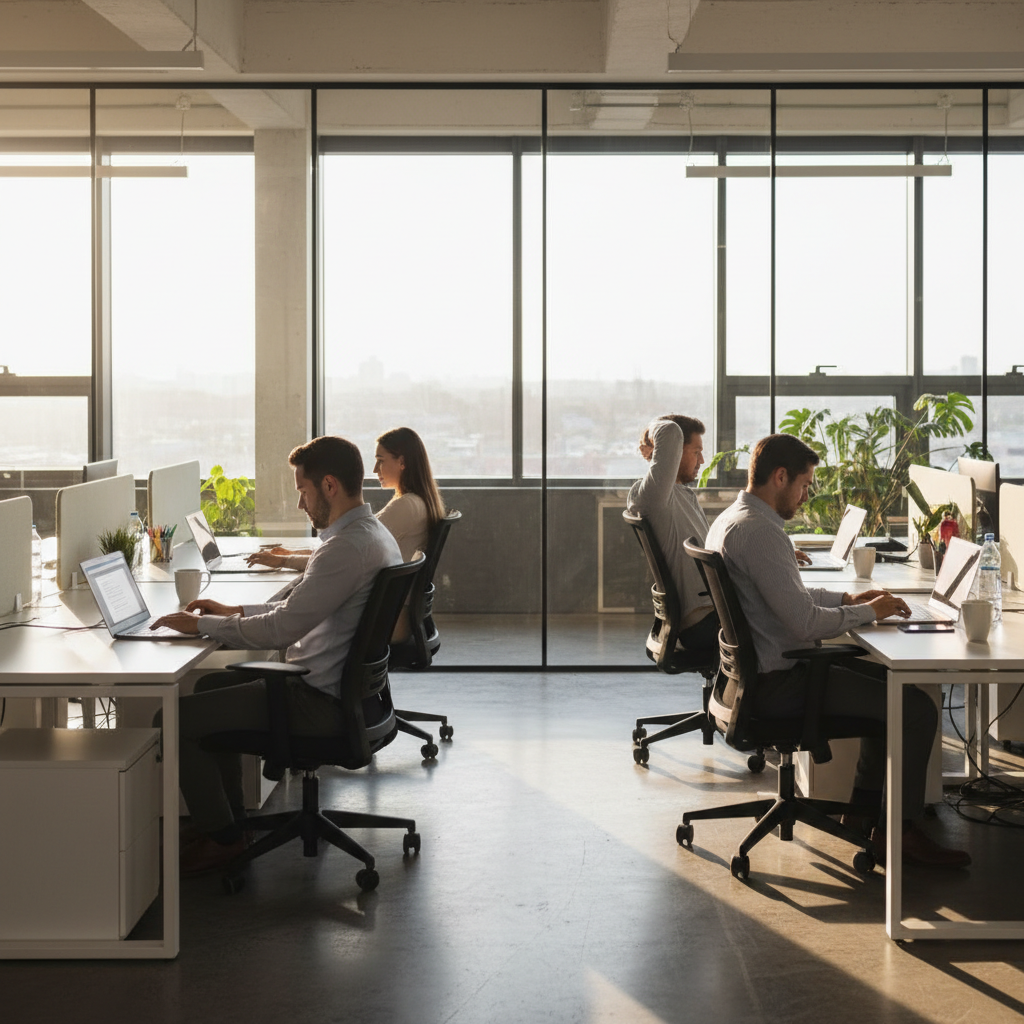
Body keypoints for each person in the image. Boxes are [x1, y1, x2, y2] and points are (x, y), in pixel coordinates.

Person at [705, 432, 970, 868]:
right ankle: (897, 834)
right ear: (780, 476)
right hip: (782, 683)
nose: (805, 496)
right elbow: (805, 622)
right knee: (917, 710)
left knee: (893, 689)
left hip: (757, 678)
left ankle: (863, 813)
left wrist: (849, 600)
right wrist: (868, 613)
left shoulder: (732, 520)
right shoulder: (761, 531)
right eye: (804, 485)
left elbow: (790, 597)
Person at [152, 435, 402, 875]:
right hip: (347, 695)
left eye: (303, 491)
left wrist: (203, 626)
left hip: (316, 702)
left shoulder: (346, 548)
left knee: (172, 720)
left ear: (329, 486)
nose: (301, 504)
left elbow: (284, 627)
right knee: (209, 684)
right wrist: (232, 611)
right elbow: (296, 608)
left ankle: (223, 839)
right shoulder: (369, 535)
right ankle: (231, 824)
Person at [247, 426, 445, 638]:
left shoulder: (406, 506)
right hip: (394, 611)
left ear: (402, 462)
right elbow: (342, 546)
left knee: (293, 620)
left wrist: (285, 561)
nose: (375, 469)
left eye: (380, 460)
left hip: (390, 620)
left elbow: (346, 549)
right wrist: (290, 555)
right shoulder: (416, 502)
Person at [627, 415, 718, 651]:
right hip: (703, 622)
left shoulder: (681, 495)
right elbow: (670, 431)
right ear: (675, 450)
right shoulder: (653, 497)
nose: (702, 460)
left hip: (711, 613)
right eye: (696, 452)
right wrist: (649, 435)